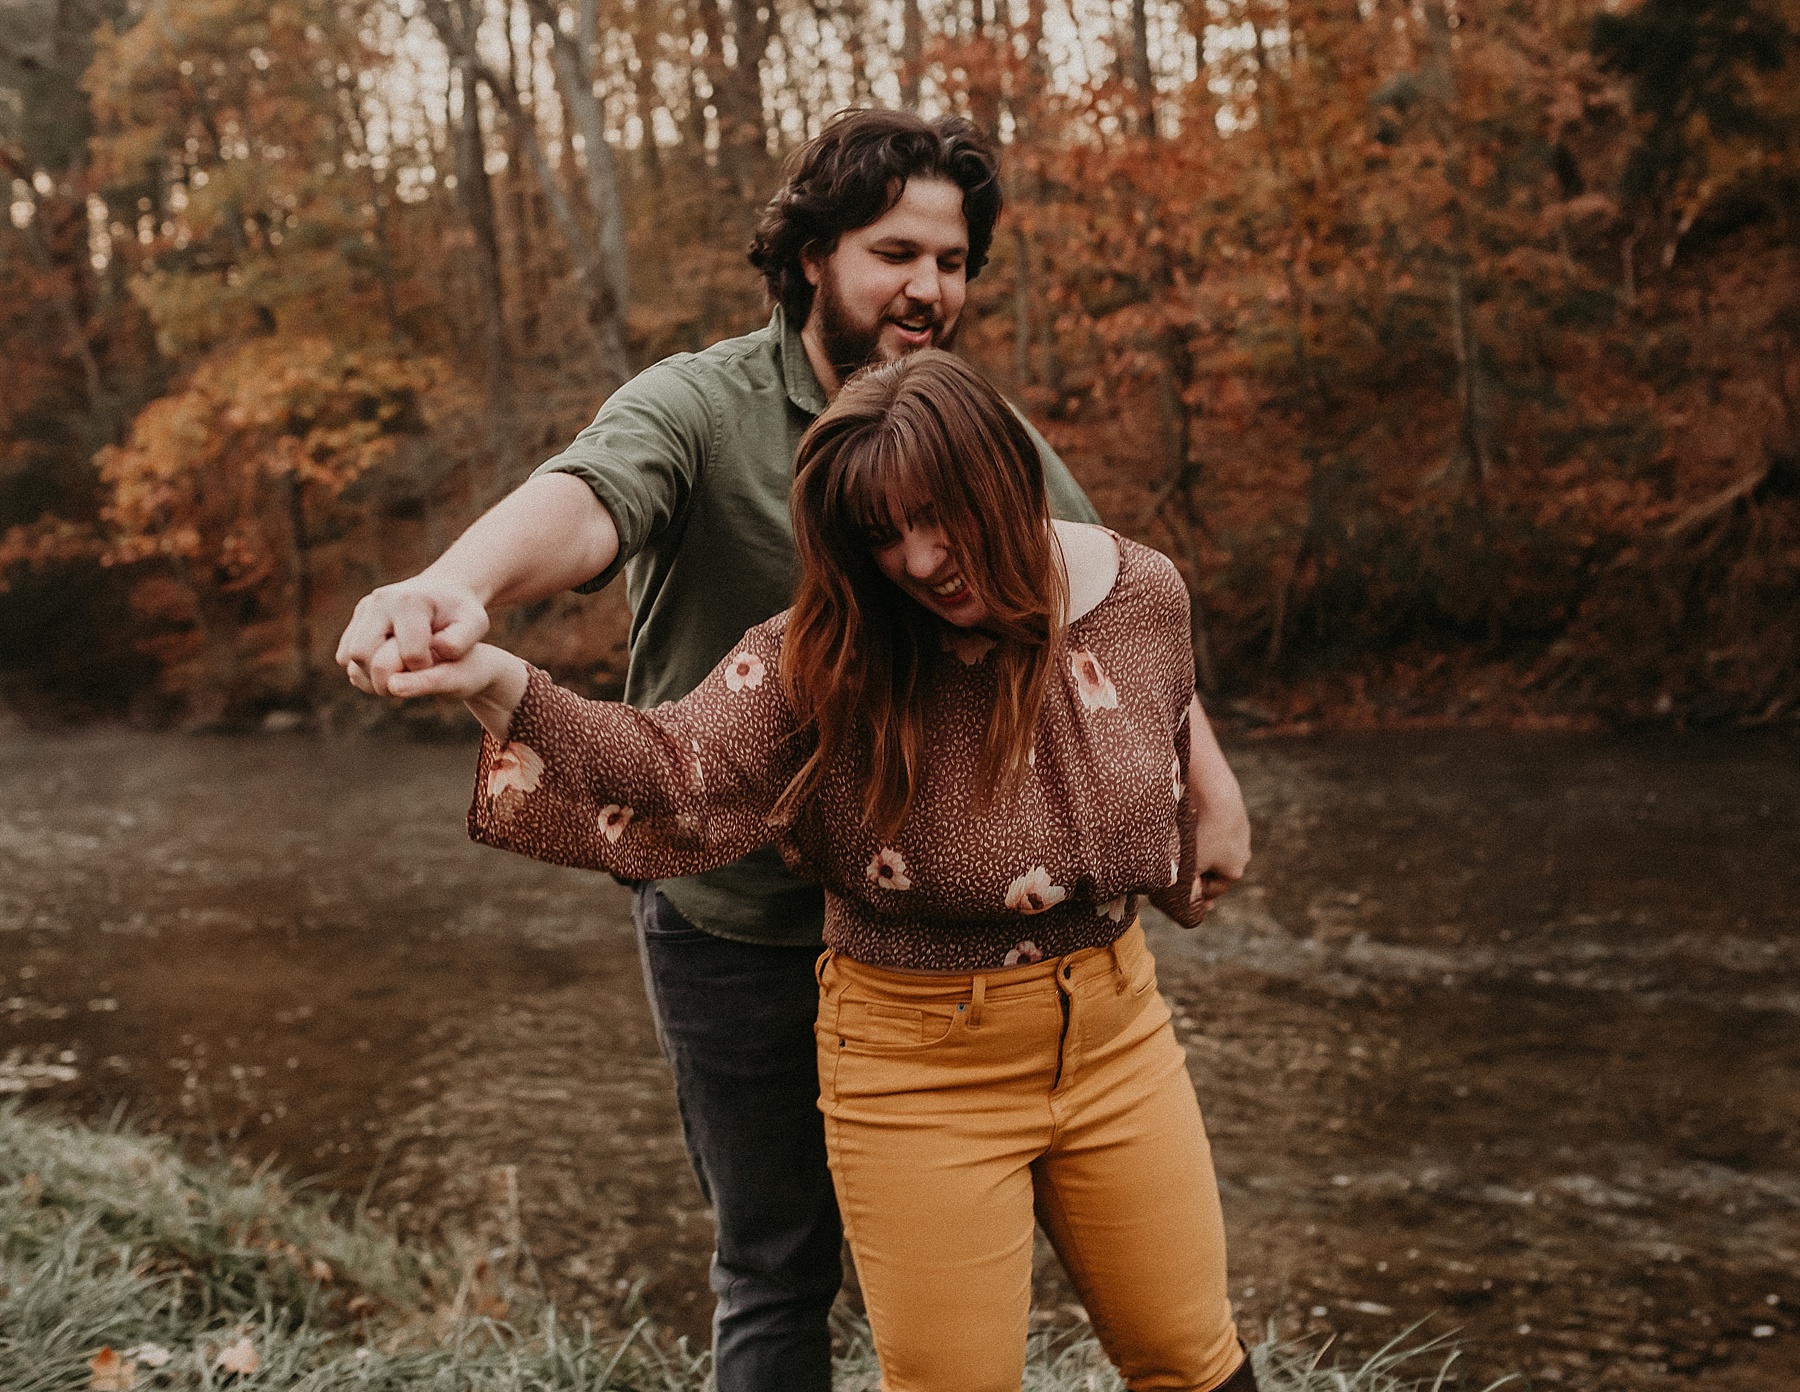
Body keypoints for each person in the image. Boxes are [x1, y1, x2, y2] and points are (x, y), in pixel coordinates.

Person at [337, 108, 1251, 1392]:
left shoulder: (976, 432)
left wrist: (1206, 782)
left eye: (952, 260)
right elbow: (589, 500)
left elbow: (1105, 624)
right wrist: (456, 589)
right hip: (743, 923)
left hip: (985, 936)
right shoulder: (699, 404)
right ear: (814, 254)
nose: (928, 287)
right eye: (896, 253)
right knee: (776, 1271)